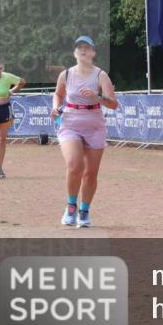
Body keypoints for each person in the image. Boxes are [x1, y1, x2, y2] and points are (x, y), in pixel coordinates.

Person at [50, 36, 118, 228]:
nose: (83, 50)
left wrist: (97, 96)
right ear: (74, 53)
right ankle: (71, 206)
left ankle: (84, 210)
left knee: (90, 174)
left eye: (87, 48)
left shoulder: (100, 75)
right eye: (79, 48)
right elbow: (58, 94)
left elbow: (113, 103)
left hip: (95, 126)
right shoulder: (66, 75)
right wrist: (56, 107)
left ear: (94, 53)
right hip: (70, 122)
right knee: (74, 165)